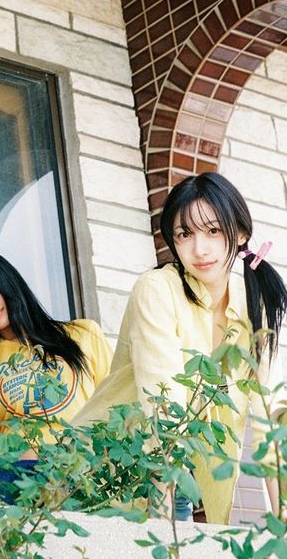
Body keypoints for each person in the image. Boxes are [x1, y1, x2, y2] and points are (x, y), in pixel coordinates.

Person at [78, 171, 287, 524]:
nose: (199, 249)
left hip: (180, 476)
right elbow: (162, 400)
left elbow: (271, 411)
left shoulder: (254, 303)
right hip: (107, 464)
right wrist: (164, 523)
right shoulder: (157, 289)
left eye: (213, 230)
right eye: (184, 234)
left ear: (240, 233)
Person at [0, 248, 112, 492]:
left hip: (85, 475)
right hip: (17, 483)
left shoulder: (82, 334)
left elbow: (116, 407)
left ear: (5, 279)